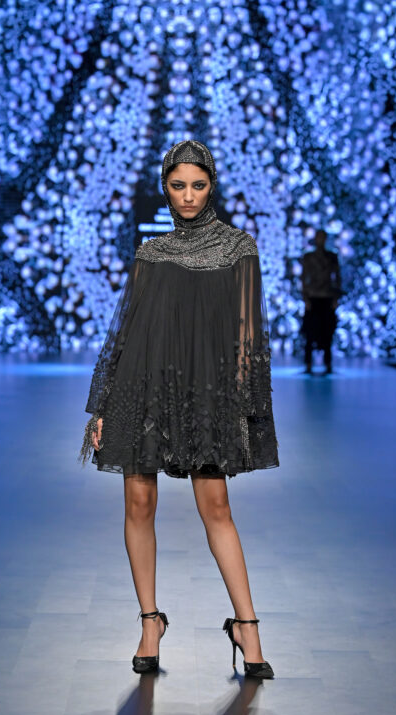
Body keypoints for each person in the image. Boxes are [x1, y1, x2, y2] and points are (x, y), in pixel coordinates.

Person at [78, 140, 279, 679]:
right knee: (139, 502)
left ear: (212, 186)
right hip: (142, 388)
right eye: (178, 186)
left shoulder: (238, 247)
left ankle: (247, 626)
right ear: (165, 189)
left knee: (217, 507)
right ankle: (151, 622)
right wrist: (101, 405)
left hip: (206, 393)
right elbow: (124, 332)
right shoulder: (151, 253)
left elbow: (249, 335)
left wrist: (244, 404)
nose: (188, 196)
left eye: (198, 185)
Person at [300, 230, 342, 374]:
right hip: (313, 297)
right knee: (310, 332)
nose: (321, 240)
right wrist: (305, 298)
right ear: (315, 239)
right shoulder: (309, 257)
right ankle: (308, 363)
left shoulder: (332, 256)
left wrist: (336, 298)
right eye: (319, 237)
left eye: (323, 237)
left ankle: (328, 363)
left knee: (327, 332)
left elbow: (337, 277)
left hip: (327, 297)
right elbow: (303, 278)